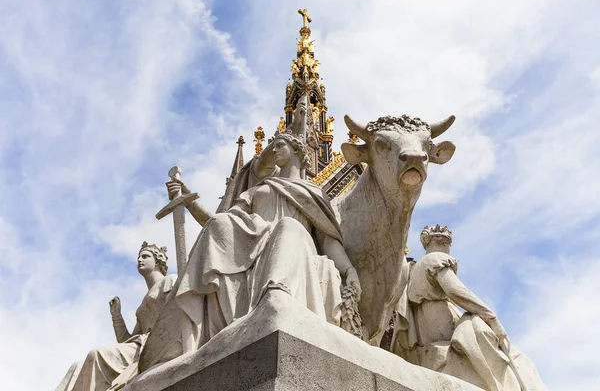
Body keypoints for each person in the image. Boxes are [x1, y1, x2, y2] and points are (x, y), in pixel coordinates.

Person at [138, 113, 362, 370]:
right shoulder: (257, 190)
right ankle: (212, 326)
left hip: (297, 249)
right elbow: (217, 221)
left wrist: (348, 269)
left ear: (298, 152)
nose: (273, 150)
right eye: (272, 145)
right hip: (255, 245)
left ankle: (276, 295)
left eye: (280, 145)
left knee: (287, 227)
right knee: (222, 224)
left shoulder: (314, 193)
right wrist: (189, 200)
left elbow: (329, 240)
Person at [392, 225, 546, 391]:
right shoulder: (436, 259)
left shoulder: (414, 268)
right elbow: (457, 291)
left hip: (428, 329)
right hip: (442, 326)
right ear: (445, 243)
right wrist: (491, 318)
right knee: (516, 357)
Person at [56, 243, 176, 391]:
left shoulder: (170, 281)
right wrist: (117, 316)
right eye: (139, 256)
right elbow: (127, 341)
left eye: (145, 256)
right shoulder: (144, 301)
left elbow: (175, 314)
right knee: (77, 367)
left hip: (156, 343)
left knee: (96, 355)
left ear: (158, 261)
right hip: (140, 346)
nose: (139, 259)